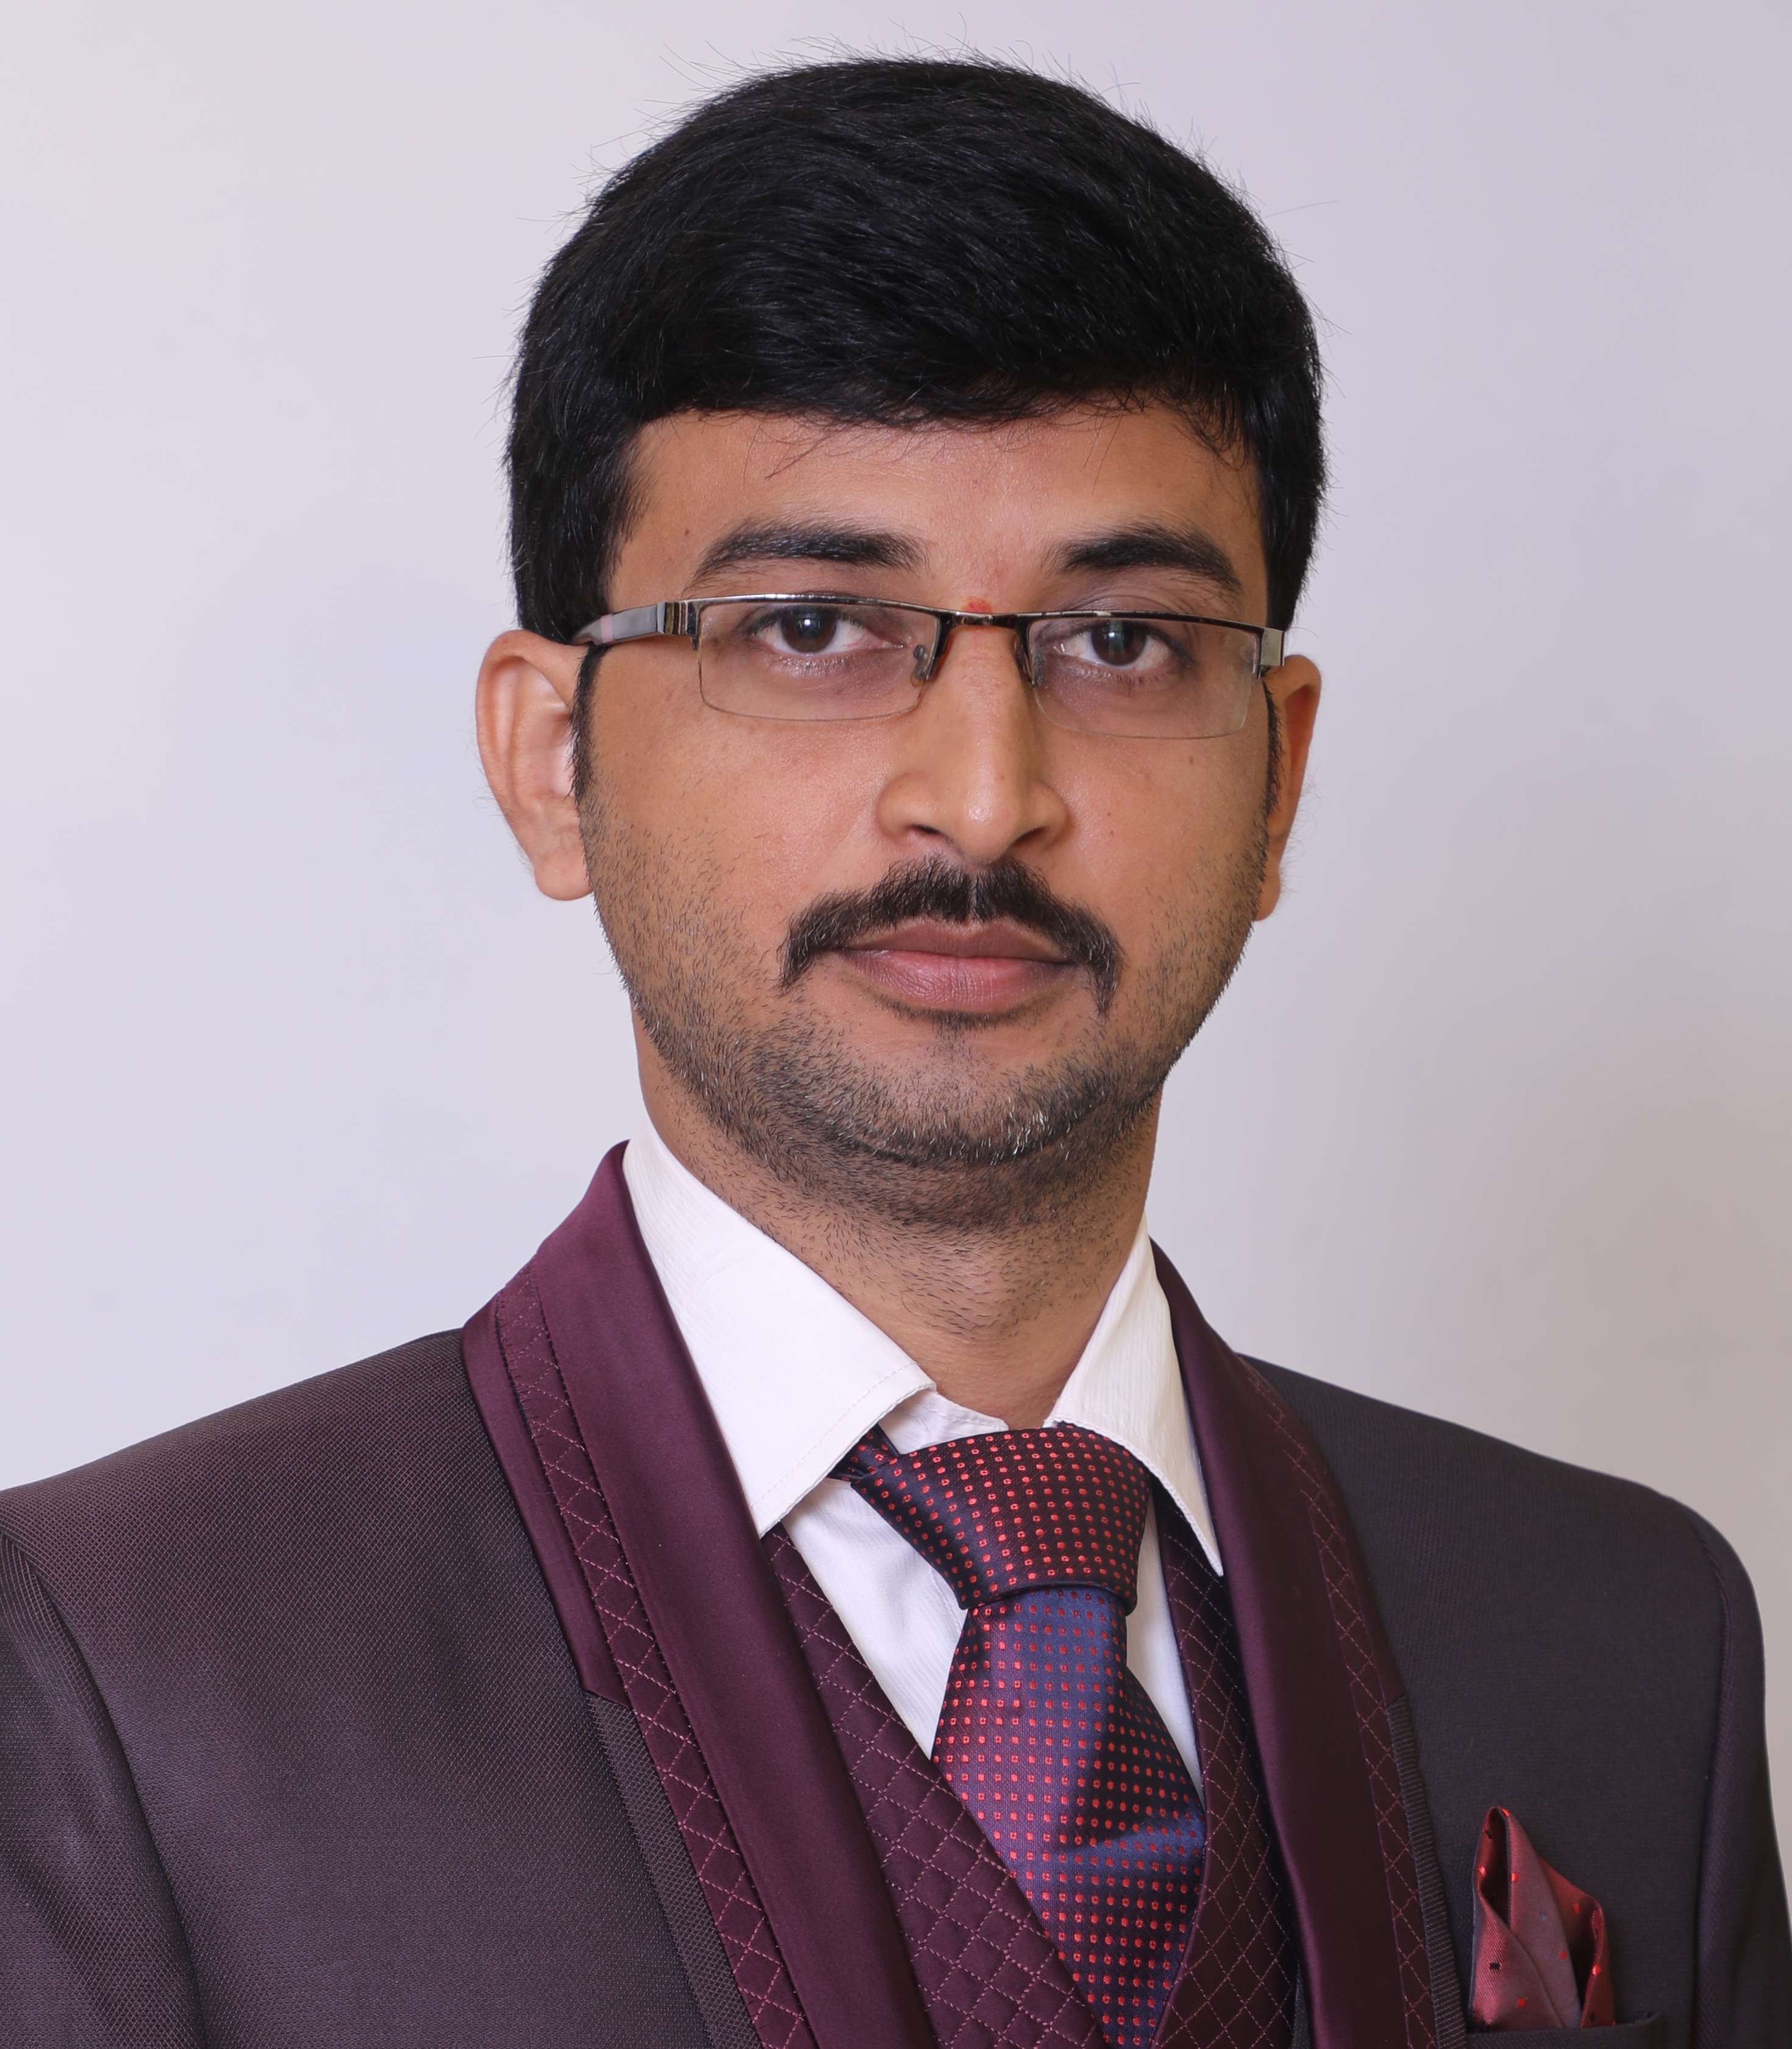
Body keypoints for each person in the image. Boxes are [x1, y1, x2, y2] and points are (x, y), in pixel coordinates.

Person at [0, 54, 1784, 2049]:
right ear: (551, 758)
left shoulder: (1628, 1643)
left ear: (1278, 778)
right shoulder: (120, 1670)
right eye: (812, 628)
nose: (982, 796)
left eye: (1119, 641)